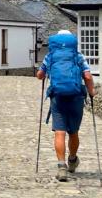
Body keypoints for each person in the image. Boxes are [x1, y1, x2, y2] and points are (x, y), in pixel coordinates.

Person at [36, 30, 95, 182]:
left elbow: (39, 75)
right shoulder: (78, 56)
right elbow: (87, 76)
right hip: (76, 98)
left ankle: (61, 167)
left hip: (58, 98)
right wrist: (92, 92)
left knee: (59, 132)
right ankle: (73, 159)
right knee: (73, 132)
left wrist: (43, 74)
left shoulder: (50, 56)